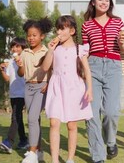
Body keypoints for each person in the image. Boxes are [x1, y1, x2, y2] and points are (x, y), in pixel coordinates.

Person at [82, 0, 124, 163]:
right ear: (93, 2)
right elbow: (85, 52)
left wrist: (121, 44)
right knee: (91, 113)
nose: (104, 2)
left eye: (107, 0)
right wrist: (84, 72)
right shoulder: (86, 25)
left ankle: (110, 141)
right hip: (92, 66)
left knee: (111, 111)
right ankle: (98, 156)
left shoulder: (118, 22)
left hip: (114, 65)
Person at [42, 15, 93, 163]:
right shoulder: (54, 48)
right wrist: (50, 50)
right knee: (54, 123)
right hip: (56, 87)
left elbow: (87, 70)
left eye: (62, 28)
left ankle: (70, 159)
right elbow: (45, 68)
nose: (59, 32)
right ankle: (55, 160)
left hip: (74, 88)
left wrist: (90, 89)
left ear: (71, 31)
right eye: (57, 28)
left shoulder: (80, 49)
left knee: (72, 125)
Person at [16, 17, 53, 163]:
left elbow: (52, 70)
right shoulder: (24, 53)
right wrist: (19, 65)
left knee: (31, 118)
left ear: (42, 36)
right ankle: (39, 152)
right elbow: (21, 74)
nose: (31, 38)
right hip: (28, 86)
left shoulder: (47, 51)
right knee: (34, 120)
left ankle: (31, 153)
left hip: (41, 87)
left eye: (34, 35)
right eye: (29, 35)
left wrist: (49, 83)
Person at [0, 37, 29, 153]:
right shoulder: (9, 61)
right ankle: (23, 141)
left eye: (17, 46)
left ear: (23, 48)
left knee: (15, 117)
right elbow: (7, 79)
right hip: (13, 93)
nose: (14, 49)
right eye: (13, 46)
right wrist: (2, 70)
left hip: (23, 93)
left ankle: (8, 142)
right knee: (18, 118)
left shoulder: (25, 59)